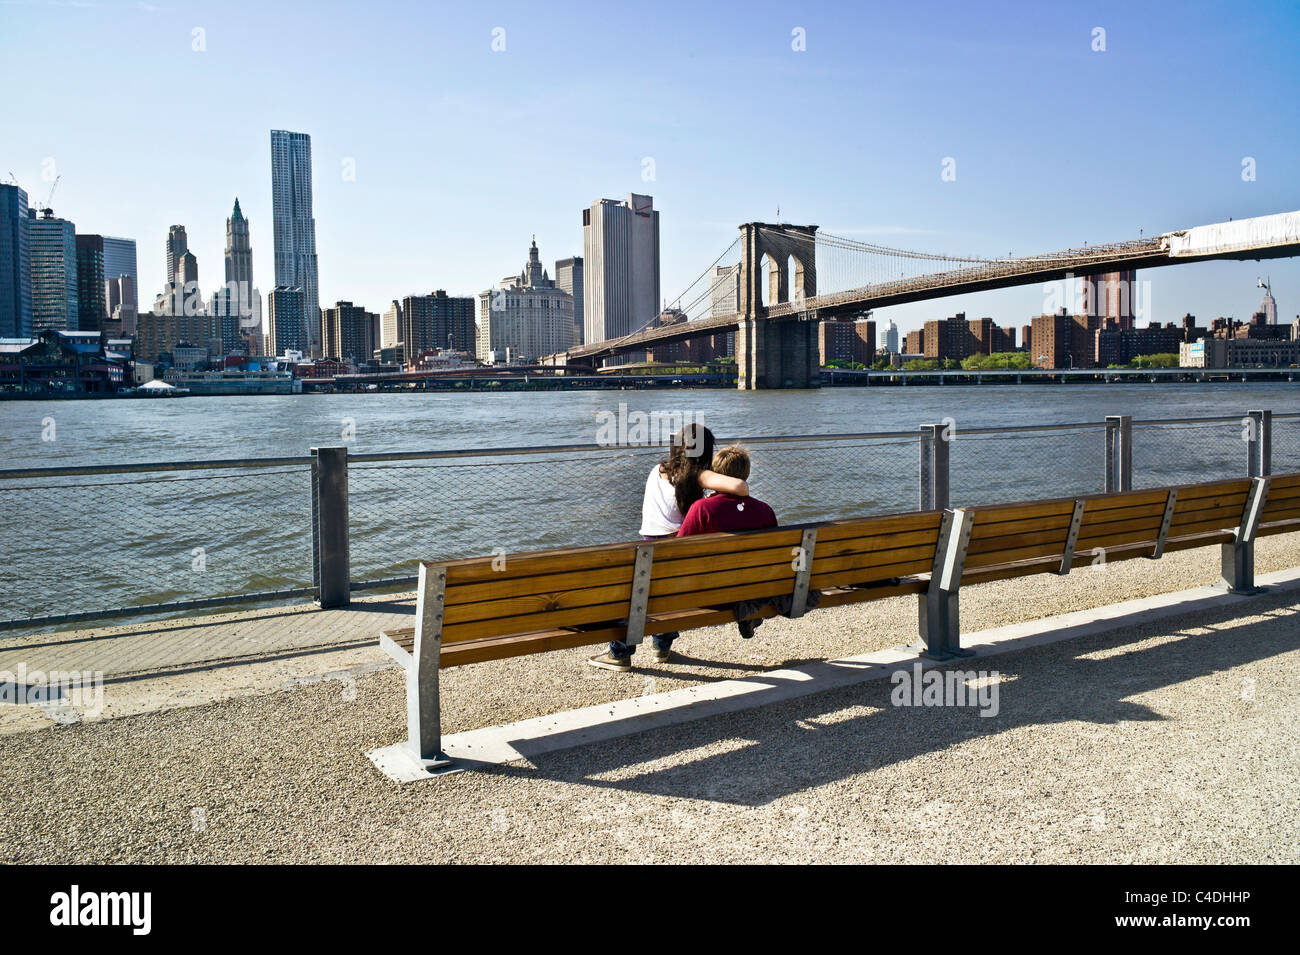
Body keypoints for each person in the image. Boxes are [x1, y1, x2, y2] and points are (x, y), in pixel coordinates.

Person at [587, 423, 748, 672]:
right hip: (683, 555)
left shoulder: (658, 470)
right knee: (670, 592)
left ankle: (620, 653)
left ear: (677, 446)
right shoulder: (698, 476)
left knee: (638, 593)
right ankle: (662, 648)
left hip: (651, 549)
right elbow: (741, 487)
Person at [676, 445, 778, 638]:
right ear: (746, 474)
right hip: (752, 591)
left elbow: (679, 551)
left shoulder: (702, 509)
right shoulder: (765, 510)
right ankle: (747, 611)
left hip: (712, 594)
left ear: (716, 474)